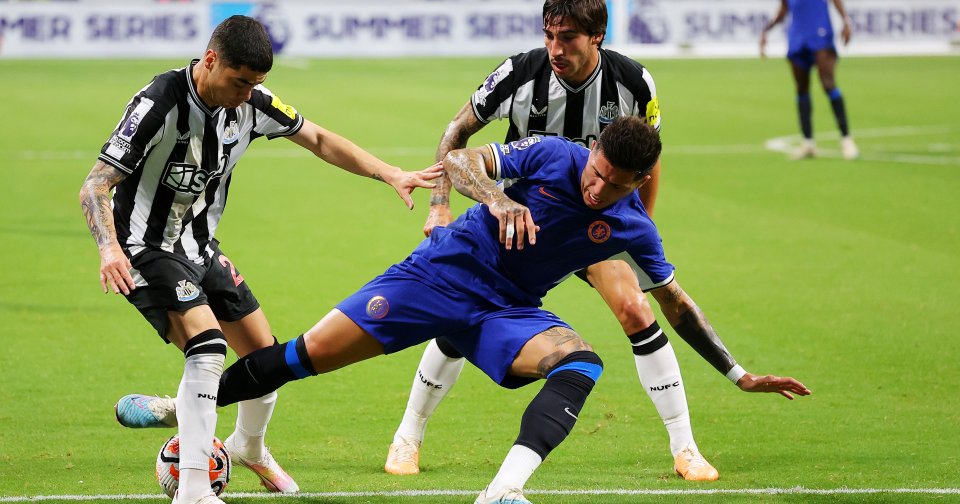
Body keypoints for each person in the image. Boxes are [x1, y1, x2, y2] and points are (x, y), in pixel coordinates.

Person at [123, 117, 811, 504]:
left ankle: (502, 493)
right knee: (303, 357)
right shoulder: (551, 154)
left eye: (614, 184)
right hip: (438, 273)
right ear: (593, 150)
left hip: (505, 311)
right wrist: (501, 198)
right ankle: (179, 405)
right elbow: (457, 161)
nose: (597, 187)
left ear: (638, 184)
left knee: (580, 364)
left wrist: (738, 373)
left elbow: (676, 303)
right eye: (596, 171)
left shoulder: (631, 225)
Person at [79, 15, 442, 504]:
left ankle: (247, 445)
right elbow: (96, 184)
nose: (248, 94)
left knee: (266, 360)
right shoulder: (158, 103)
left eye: (256, 84)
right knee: (207, 349)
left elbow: (317, 138)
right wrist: (108, 247)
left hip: (202, 248)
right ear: (210, 61)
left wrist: (389, 173)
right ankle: (193, 491)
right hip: (145, 249)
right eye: (240, 82)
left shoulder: (250, 105)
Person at [384, 0, 719, 482]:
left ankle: (685, 448)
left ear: (597, 37)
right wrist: (440, 203)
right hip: (518, 219)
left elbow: (647, 155)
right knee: (464, 313)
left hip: (596, 219)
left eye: (568, 39)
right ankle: (408, 436)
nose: (556, 49)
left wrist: (637, 224)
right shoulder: (519, 72)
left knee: (635, 307)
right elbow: (457, 133)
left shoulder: (634, 82)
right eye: (549, 37)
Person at [760, 0, 859, 161]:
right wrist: (766, 30)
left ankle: (847, 139)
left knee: (828, 83)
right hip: (797, 36)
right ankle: (808, 142)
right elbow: (783, 7)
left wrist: (846, 20)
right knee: (801, 89)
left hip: (820, 32)